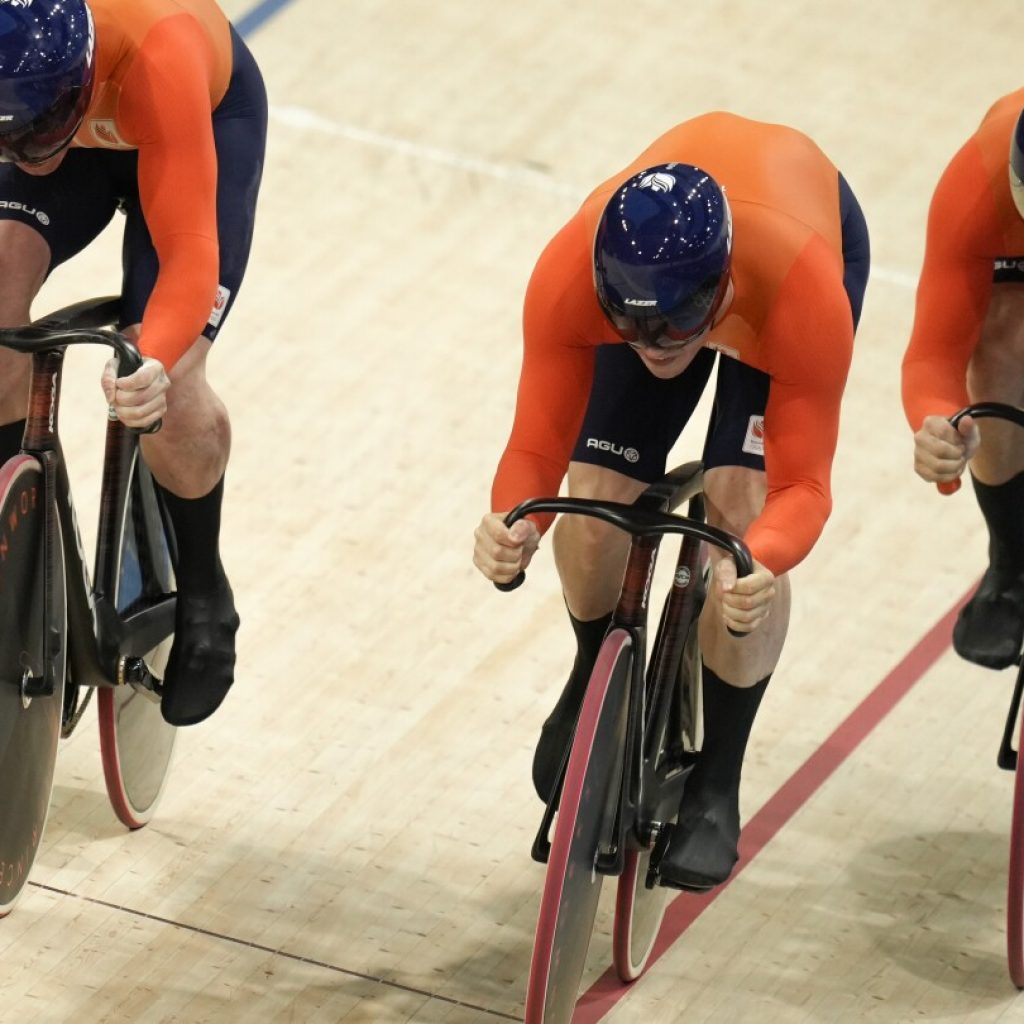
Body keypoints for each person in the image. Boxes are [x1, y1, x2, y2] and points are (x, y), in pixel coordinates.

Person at [473, 112, 870, 891]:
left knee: (742, 511)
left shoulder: (801, 289)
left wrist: (765, 561)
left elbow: (804, 487)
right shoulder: (571, 271)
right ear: (601, 289)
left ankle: (717, 779)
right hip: (693, 272)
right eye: (631, 324)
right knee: (592, 500)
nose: (655, 345)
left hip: (786, 258)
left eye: (676, 324)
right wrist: (512, 523)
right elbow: (534, 450)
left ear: (717, 285)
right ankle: (595, 675)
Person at [0, 0, 267, 725]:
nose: (31, 157)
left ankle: (206, 588)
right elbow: (32, 151)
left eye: (36, 136)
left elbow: (188, 253)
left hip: (198, 123)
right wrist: (32, 136)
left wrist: (153, 360)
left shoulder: (164, 54)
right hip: (60, 109)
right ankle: (10, 533)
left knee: (170, 387)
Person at [903, 91, 1024, 671]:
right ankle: (1012, 561)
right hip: (1008, 252)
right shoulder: (976, 186)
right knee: (999, 341)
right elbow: (933, 356)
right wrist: (938, 426)